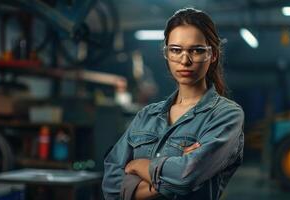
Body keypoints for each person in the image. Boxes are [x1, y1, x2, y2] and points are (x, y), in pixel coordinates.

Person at [102, 7, 244, 200]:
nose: (185, 60)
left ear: (213, 55)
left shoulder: (226, 115)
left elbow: (186, 177)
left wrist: (137, 166)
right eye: (176, 50)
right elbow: (110, 185)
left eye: (197, 50)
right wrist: (174, 174)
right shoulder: (146, 115)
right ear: (167, 54)